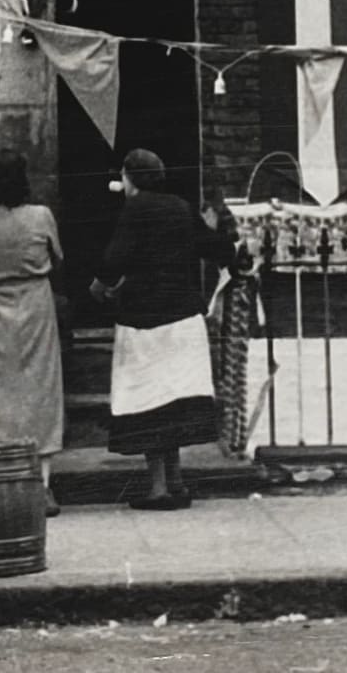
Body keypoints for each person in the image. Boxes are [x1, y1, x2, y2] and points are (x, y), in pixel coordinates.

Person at [90, 148, 237, 510]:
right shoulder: (180, 206)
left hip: (145, 321)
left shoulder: (135, 209)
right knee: (174, 399)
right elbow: (217, 249)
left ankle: (157, 488)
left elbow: (114, 259)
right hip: (185, 317)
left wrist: (98, 287)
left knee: (149, 401)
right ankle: (177, 480)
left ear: (129, 177)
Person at [0, 148, 66, 515]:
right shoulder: (40, 216)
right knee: (41, 390)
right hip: (34, 306)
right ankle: (41, 484)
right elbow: (57, 257)